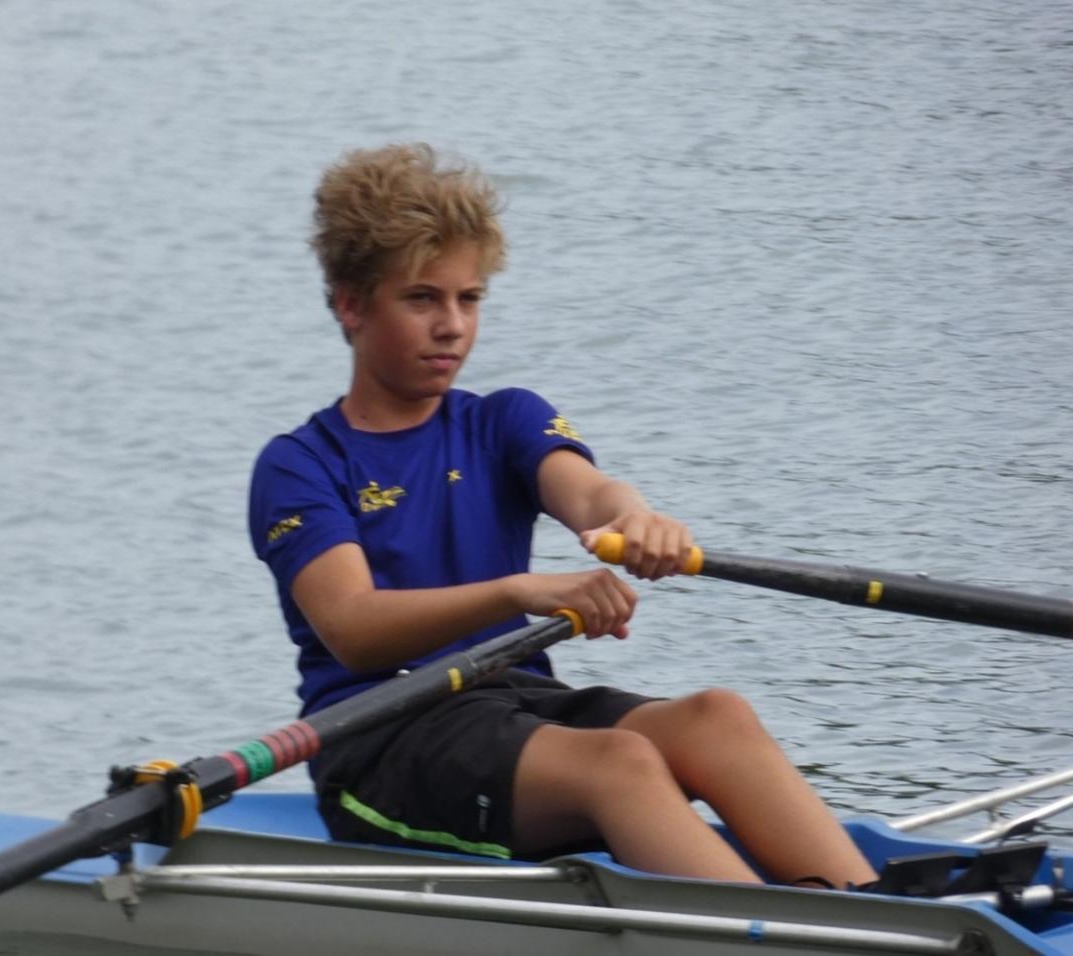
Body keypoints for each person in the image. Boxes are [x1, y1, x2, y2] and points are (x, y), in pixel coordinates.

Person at [248, 143, 876, 887]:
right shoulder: (301, 464)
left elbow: (590, 496)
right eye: (421, 299)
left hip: (514, 703)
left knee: (717, 717)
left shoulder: (503, 420)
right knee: (621, 762)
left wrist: (637, 518)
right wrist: (521, 592)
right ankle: (774, 930)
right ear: (352, 304)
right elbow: (354, 630)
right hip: (381, 739)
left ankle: (871, 909)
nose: (451, 325)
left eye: (469, 299)